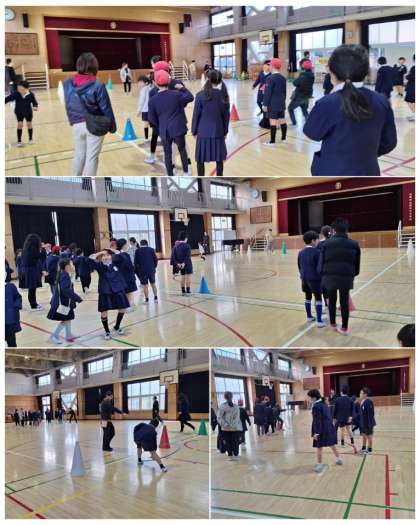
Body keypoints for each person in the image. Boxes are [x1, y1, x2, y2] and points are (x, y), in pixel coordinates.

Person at [303, 44, 397, 176]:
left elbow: (312, 133)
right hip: (368, 170)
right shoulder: (381, 101)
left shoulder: (327, 102)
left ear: (331, 70)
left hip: (331, 171)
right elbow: (389, 142)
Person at [63, 52, 117, 177]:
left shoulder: (67, 84)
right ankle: (88, 184)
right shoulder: (97, 84)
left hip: (76, 124)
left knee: (79, 155)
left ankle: (75, 179)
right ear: (94, 66)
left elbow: (68, 103)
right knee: (92, 157)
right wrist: (112, 127)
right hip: (94, 125)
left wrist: (73, 120)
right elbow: (106, 108)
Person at [318, 218, 361, 335]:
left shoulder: (326, 244)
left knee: (331, 301)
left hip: (329, 277)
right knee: (344, 302)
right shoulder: (354, 244)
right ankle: (344, 328)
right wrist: (352, 275)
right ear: (346, 229)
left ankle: (332, 323)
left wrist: (323, 275)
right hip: (346, 278)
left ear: (333, 230)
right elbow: (357, 265)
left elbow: (321, 263)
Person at [148, 69, 194, 176]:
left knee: (167, 153)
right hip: (178, 128)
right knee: (182, 150)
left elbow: (152, 118)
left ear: (156, 83)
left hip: (164, 130)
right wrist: (182, 88)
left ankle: (170, 174)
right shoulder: (176, 94)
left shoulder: (152, 100)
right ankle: (186, 172)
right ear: (168, 81)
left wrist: (160, 126)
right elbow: (190, 97)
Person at [191, 69, 230, 177]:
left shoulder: (200, 95)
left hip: (203, 132)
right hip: (218, 131)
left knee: (200, 159)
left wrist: (194, 131)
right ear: (220, 80)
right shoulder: (223, 95)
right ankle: (220, 176)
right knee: (219, 159)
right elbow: (226, 116)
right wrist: (225, 131)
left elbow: (196, 115)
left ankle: (201, 179)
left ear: (207, 79)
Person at [88, 249, 130, 340]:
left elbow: (122, 255)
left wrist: (112, 250)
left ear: (111, 256)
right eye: (104, 256)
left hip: (118, 289)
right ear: (101, 258)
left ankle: (117, 326)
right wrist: (100, 253)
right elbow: (90, 258)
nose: (106, 257)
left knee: (122, 309)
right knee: (103, 312)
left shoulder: (116, 263)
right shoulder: (99, 266)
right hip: (105, 291)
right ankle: (107, 331)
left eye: (108, 255)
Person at [47, 259, 83, 344]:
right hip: (63, 303)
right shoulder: (64, 275)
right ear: (67, 266)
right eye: (71, 264)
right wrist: (77, 298)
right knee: (65, 319)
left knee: (68, 318)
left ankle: (68, 334)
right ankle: (54, 336)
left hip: (66, 302)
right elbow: (66, 289)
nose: (73, 266)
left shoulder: (63, 273)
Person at [307, 389, 342, 473]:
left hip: (321, 429)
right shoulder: (324, 404)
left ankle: (319, 465)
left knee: (319, 447)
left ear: (314, 398)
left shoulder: (316, 406)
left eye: (310, 397)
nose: (309, 399)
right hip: (329, 428)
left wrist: (316, 432)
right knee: (332, 445)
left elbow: (317, 421)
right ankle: (338, 459)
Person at [298, 230, 325, 327]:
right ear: (313, 240)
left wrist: (302, 275)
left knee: (307, 297)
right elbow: (319, 268)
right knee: (318, 298)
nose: (318, 241)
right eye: (317, 239)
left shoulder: (301, 252)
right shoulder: (317, 252)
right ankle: (319, 321)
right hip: (315, 279)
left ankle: (309, 316)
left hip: (304, 279)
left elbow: (299, 266)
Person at [5, 80, 38, 147]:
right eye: (18, 88)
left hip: (28, 112)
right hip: (19, 112)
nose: (19, 90)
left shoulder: (31, 94)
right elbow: (8, 99)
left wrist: (35, 106)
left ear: (27, 88)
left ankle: (30, 139)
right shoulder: (16, 94)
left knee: (29, 124)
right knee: (20, 124)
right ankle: (19, 141)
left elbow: (34, 102)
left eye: (21, 89)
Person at [262, 58, 287, 145]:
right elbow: (284, 92)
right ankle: (283, 139)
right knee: (282, 120)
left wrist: (265, 104)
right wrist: (282, 101)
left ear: (272, 66)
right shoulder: (283, 78)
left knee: (273, 122)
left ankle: (272, 142)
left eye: (270, 65)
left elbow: (267, 93)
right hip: (281, 103)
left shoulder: (270, 78)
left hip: (272, 104)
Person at [21, 233, 44, 311]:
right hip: (31, 271)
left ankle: (34, 304)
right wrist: (41, 250)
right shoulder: (32, 250)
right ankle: (33, 305)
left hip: (28, 271)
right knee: (32, 289)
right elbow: (38, 257)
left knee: (32, 289)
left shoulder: (26, 249)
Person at [113, 239, 138, 310]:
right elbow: (125, 265)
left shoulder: (124, 254)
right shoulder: (119, 255)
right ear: (123, 245)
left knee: (129, 292)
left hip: (128, 276)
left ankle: (129, 305)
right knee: (128, 292)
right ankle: (127, 306)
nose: (128, 245)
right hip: (125, 277)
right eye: (127, 244)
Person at [288, 60, 314, 127]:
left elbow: (295, 83)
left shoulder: (303, 75)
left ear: (304, 67)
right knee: (304, 110)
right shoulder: (312, 75)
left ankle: (294, 123)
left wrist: (297, 78)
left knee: (290, 108)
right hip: (306, 96)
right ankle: (309, 123)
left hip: (299, 96)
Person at [218, 391, 242, 460]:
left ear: (232, 397)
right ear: (225, 398)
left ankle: (236, 454)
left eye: (230, 396)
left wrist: (233, 425)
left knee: (235, 442)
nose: (229, 398)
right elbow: (219, 417)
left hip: (235, 428)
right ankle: (230, 455)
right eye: (227, 397)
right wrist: (225, 425)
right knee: (228, 442)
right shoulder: (222, 406)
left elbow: (237, 418)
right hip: (226, 429)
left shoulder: (236, 407)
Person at [134, 239, 158, 303]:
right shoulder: (151, 249)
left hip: (142, 271)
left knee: (145, 285)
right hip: (151, 270)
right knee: (153, 284)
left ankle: (147, 299)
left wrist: (137, 271)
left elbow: (136, 262)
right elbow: (155, 260)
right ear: (147, 243)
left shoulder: (137, 251)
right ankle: (156, 297)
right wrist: (154, 267)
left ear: (140, 244)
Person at [172, 231, 193, 295]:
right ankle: (188, 290)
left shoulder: (175, 246)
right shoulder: (187, 246)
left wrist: (178, 263)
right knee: (188, 277)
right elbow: (188, 256)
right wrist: (184, 263)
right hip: (187, 264)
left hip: (180, 265)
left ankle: (183, 291)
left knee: (182, 276)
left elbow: (174, 256)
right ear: (185, 238)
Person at [5, 277, 22, 347]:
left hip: (10, 320)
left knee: (11, 342)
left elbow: (18, 297)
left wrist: (16, 306)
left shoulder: (11, 286)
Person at [359, 387, 376, 455]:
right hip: (363, 423)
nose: (360, 394)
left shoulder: (369, 402)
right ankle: (364, 448)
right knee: (364, 436)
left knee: (369, 437)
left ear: (365, 394)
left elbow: (371, 414)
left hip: (368, 424)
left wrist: (370, 424)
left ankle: (370, 450)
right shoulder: (362, 402)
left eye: (361, 393)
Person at [137, 75, 152, 141]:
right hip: (151, 109)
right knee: (152, 123)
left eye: (141, 82)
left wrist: (139, 110)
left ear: (146, 83)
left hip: (145, 110)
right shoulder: (150, 88)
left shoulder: (143, 90)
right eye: (139, 82)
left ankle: (146, 138)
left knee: (146, 124)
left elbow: (142, 101)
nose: (139, 84)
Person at [405, 54, 415, 121]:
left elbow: (411, 76)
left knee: (410, 101)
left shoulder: (414, 68)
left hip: (413, 87)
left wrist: (406, 76)